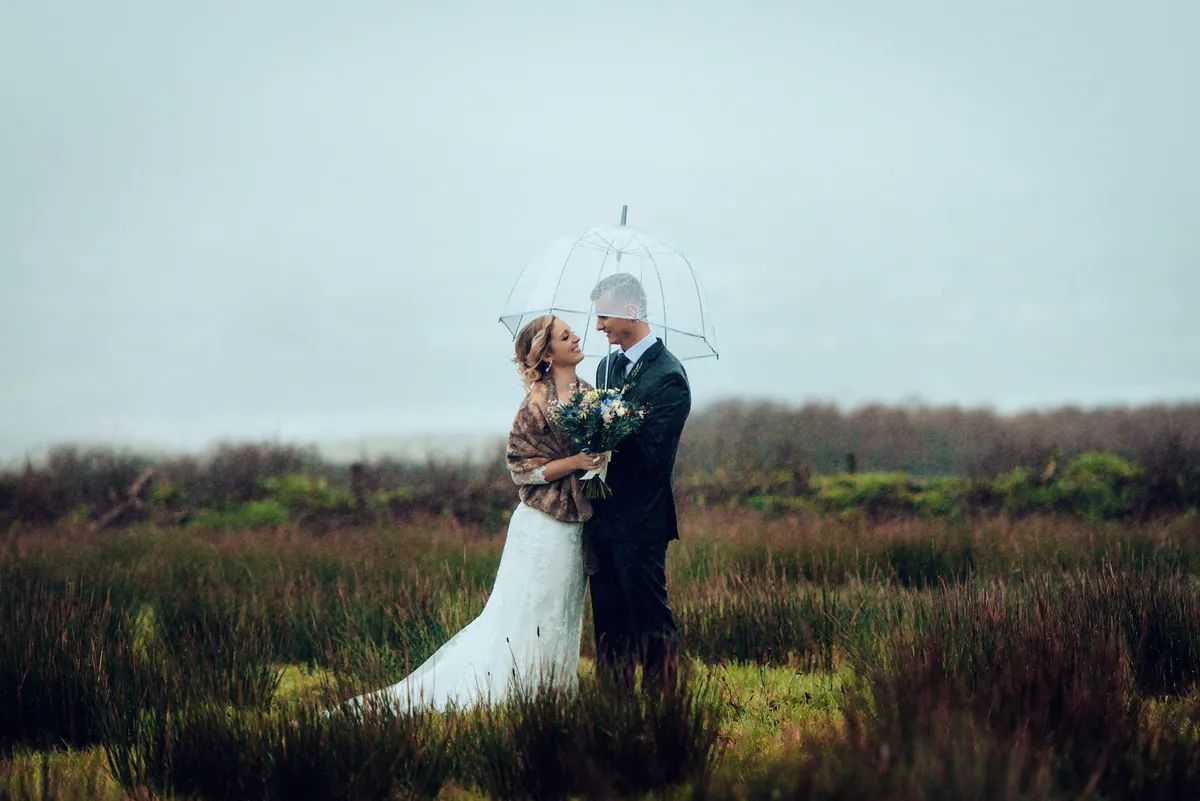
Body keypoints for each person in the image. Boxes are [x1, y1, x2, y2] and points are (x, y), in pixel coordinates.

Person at [338, 315, 606, 713]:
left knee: (563, 609)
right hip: (543, 524)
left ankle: (553, 696)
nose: (576, 338)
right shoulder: (534, 404)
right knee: (530, 608)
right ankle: (516, 692)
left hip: (575, 525)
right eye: (566, 337)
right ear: (548, 353)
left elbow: (594, 453)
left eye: (572, 333)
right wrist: (572, 463)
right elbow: (521, 468)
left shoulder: (590, 394)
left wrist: (600, 460)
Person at [585, 273, 692, 693]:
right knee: (608, 622)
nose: (598, 327)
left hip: (642, 520)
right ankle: (614, 706)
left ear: (631, 311)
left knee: (648, 616)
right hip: (602, 518)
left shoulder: (668, 376)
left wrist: (610, 435)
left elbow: (654, 458)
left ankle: (665, 706)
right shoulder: (605, 367)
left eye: (604, 316)